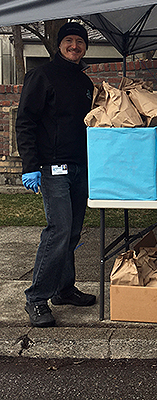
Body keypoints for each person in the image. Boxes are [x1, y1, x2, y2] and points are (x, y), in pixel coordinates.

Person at [16, 21, 95, 327]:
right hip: (52, 168)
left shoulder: (85, 82)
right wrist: (30, 165)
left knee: (73, 234)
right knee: (58, 230)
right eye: (69, 41)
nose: (75, 46)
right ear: (59, 45)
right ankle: (36, 298)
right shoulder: (42, 75)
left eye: (80, 42)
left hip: (79, 166)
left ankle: (64, 289)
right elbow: (25, 121)